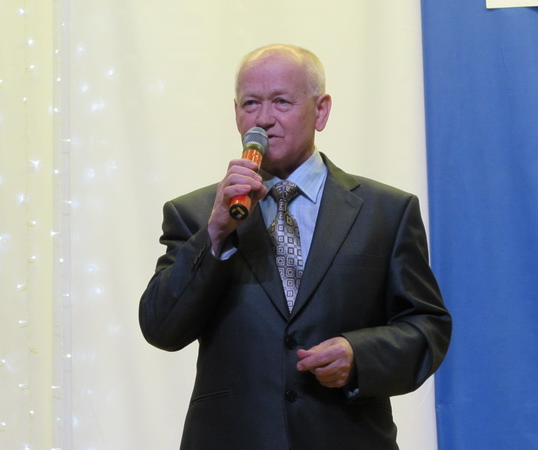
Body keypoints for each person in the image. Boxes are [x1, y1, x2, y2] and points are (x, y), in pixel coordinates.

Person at [139, 44, 451, 449]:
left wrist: (360, 355)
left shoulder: (386, 211)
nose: (263, 119)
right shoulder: (196, 214)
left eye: (281, 102)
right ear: (235, 112)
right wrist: (215, 235)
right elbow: (161, 328)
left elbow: (426, 327)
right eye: (250, 103)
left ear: (321, 111)